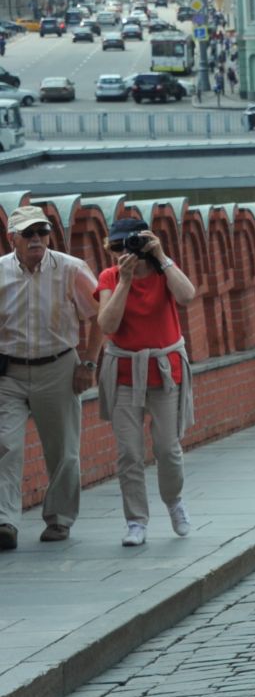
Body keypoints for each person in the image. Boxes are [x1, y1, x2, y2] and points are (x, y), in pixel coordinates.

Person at [0, 205, 99, 549]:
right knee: (5, 446)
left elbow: (100, 314)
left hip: (58, 368)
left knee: (64, 451)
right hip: (8, 372)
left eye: (42, 232)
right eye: (28, 234)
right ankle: (5, 521)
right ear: (11, 238)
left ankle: (59, 519)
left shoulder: (70, 269)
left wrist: (87, 364)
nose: (37, 239)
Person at [96, 218, 198, 547]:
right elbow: (107, 323)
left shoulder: (162, 272)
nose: (128, 252)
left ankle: (174, 501)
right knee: (129, 453)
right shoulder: (110, 277)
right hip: (125, 374)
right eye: (120, 247)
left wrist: (162, 255)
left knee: (168, 449)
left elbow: (188, 296)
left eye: (133, 244)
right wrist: (124, 282)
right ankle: (136, 520)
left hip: (165, 372)